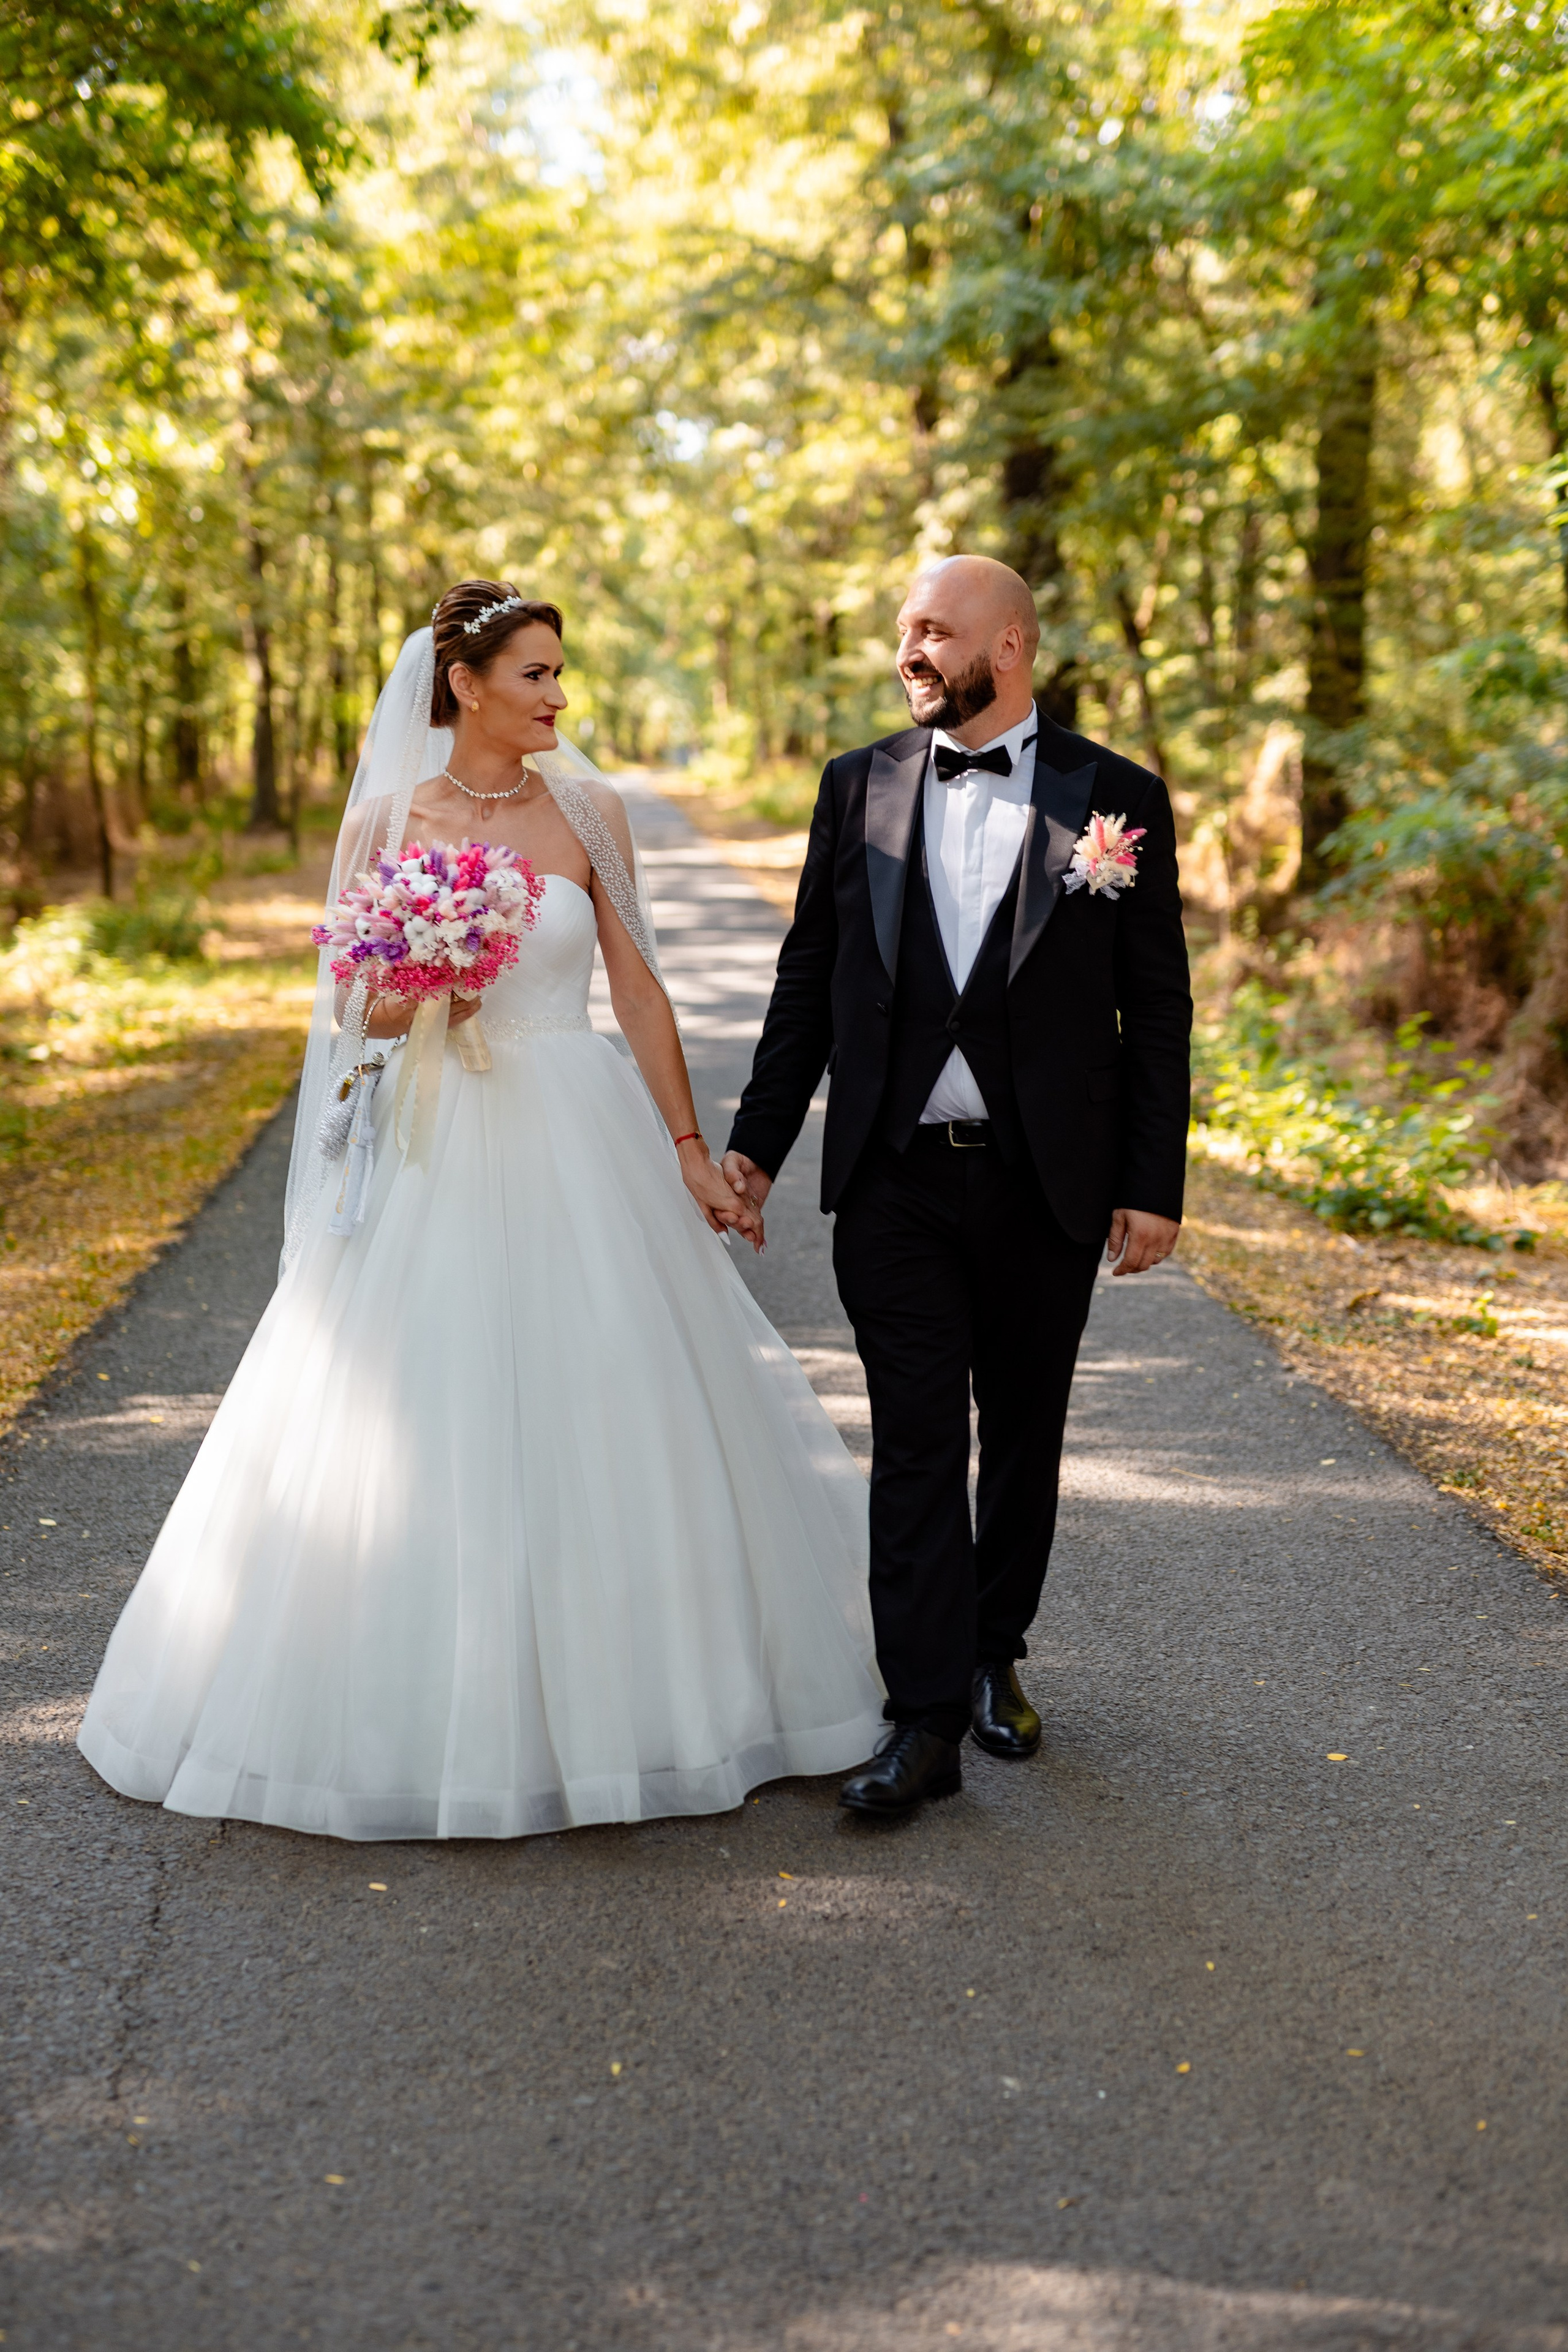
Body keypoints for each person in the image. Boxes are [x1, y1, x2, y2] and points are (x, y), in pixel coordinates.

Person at [78, 581, 884, 1840]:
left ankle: (655, 1700)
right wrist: (426, 981)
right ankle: (419, 1711)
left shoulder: (590, 811)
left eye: (561, 675)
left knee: (614, 1389)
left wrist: (686, 1145)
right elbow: (355, 1017)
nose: (559, 697)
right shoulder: (389, 822)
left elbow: (642, 994)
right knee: (418, 1397)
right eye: (536, 675)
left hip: (577, 1125)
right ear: (464, 685)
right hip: (434, 1138)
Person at [723, 555, 1192, 1817]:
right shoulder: (854, 785)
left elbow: (1153, 1011)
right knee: (916, 1441)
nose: (907, 651)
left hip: (1047, 1183)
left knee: (1022, 1432)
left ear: (1011, 647)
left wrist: (1153, 1184)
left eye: (932, 631)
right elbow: (805, 982)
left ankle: (993, 1657)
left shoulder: (1117, 798)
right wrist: (756, 1145)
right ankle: (919, 1713)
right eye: (901, 632)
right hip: (894, 1182)